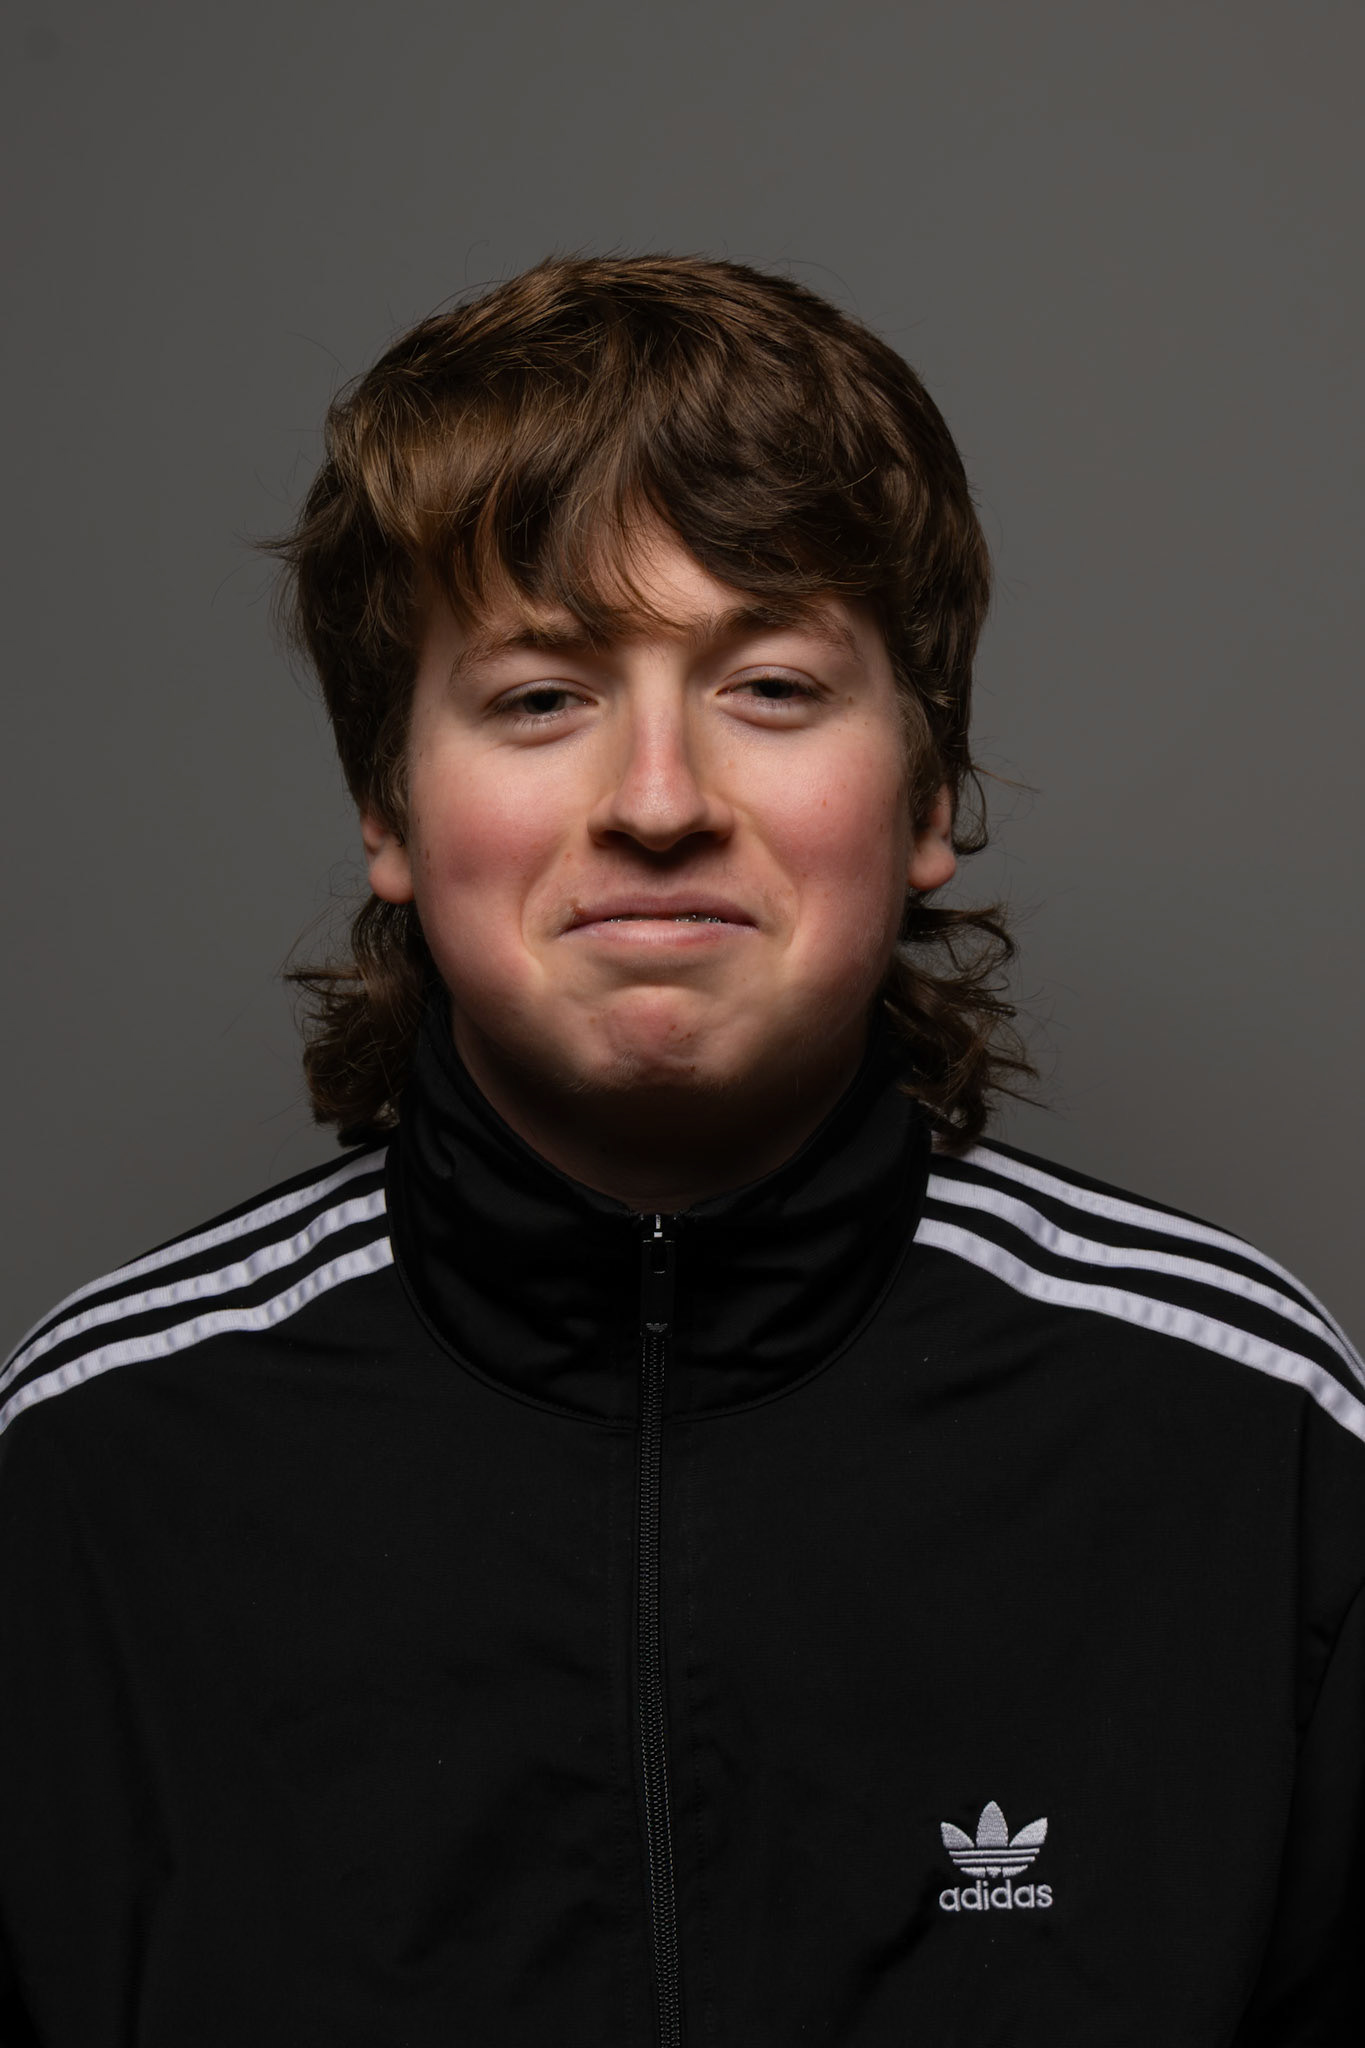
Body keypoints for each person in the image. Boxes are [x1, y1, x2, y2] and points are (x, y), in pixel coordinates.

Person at [0, 254, 1360, 2048]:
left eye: (772, 686)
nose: (657, 801)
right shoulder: (94, 1463)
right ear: (387, 804)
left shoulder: (1244, 1431)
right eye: (540, 697)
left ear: (926, 793)